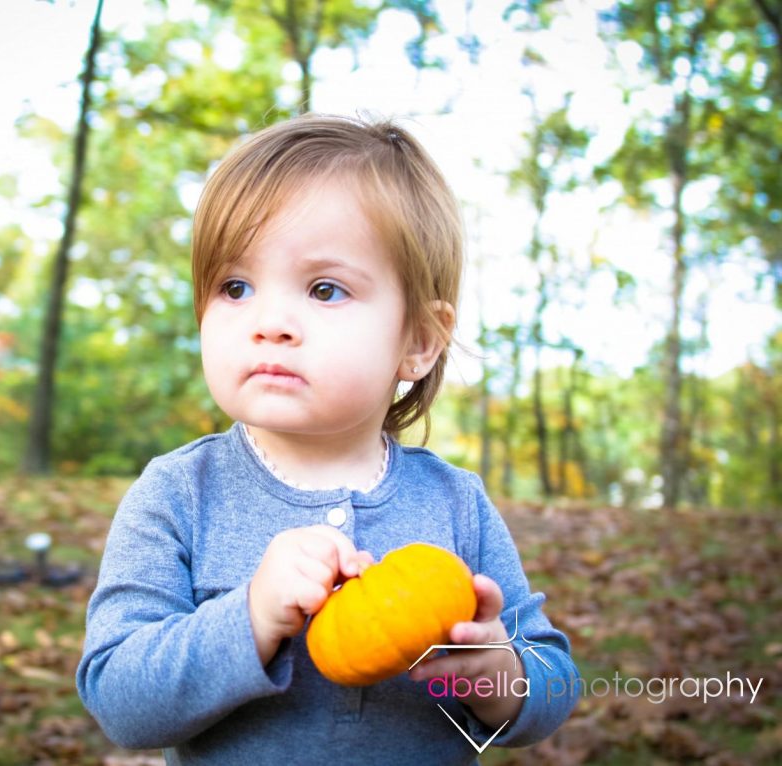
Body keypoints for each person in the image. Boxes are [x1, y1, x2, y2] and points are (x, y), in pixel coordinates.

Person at [77, 114, 579, 765]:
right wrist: (250, 619)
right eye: (236, 287)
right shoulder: (177, 496)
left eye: (324, 289)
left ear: (419, 341)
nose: (272, 321)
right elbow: (118, 700)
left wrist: (495, 677)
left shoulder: (455, 504)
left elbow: (555, 680)